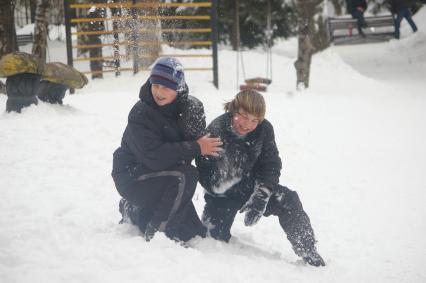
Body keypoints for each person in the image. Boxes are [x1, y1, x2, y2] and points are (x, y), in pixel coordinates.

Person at [195, 90, 325, 267]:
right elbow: (206, 177)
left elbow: (271, 164)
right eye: (244, 116)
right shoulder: (216, 130)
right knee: (213, 242)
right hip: (221, 195)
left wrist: (262, 193)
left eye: (254, 120)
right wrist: (226, 178)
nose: (248, 125)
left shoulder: (264, 129)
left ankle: (308, 250)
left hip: (252, 187)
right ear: (234, 109)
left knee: (288, 199)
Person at [111, 57, 222, 242]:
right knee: (185, 176)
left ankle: (134, 209)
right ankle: (159, 233)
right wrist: (195, 147)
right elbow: (154, 157)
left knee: (193, 233)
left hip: (165, 174)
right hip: (133, 176)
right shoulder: (140, 113)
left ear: (178, 88)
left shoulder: (189, 109)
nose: (159, 92)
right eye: (156, 85)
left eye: (166, 87)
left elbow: (203, 145)